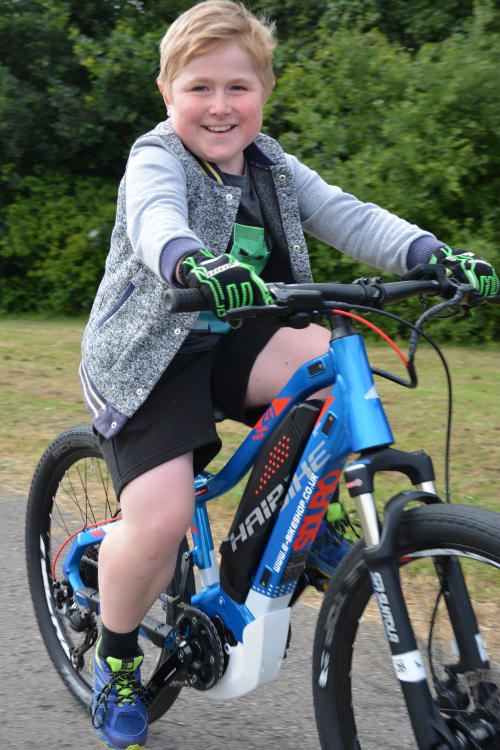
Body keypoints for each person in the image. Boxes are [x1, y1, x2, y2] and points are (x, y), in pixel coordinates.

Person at [79, 1, 498, 747]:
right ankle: (113, 661)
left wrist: (431, 254)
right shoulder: (157, 157)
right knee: (164, 518)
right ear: (166, 93)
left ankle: (319, 516)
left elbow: (351, 216)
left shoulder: (272, 164)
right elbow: (153, 218)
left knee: (331, 361)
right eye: (198, 87)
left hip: (233, 341)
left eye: (237, 87)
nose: (219, 105)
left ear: (264, 91)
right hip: (150, 358)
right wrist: (189, 259)